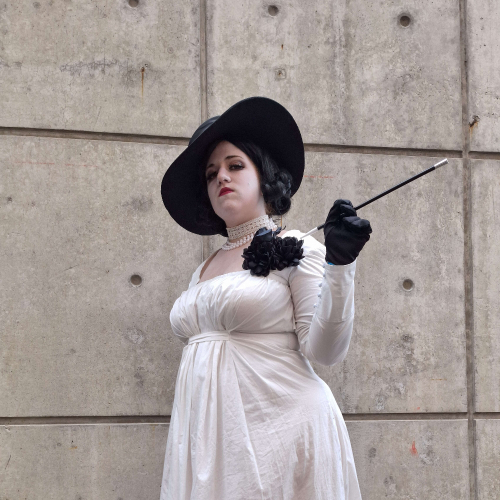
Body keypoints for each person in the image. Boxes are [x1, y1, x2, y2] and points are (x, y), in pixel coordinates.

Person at [159, 96, 372, 500]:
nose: (221, 177)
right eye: (211, 173)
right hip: (212, 443)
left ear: (264, 175)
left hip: (282, 437)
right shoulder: (202, 271)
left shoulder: (297, 247)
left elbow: (325, 351)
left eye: (235, 165)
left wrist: (340, 266)